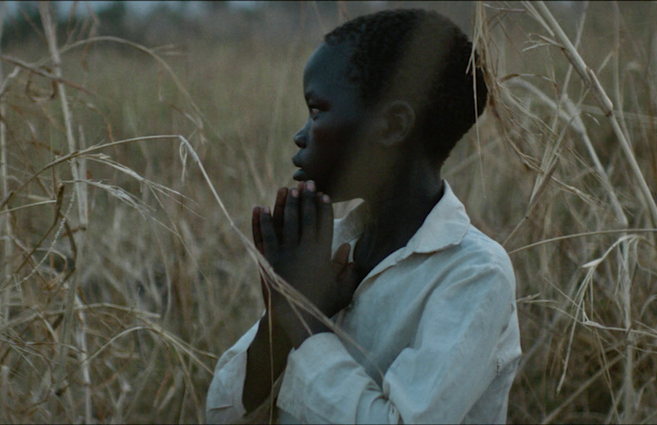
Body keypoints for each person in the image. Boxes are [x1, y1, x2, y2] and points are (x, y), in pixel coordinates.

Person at [205, 8, 520, 424]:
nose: (301, 135)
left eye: (317, 111)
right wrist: (282, 315)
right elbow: (221, 412)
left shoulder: (474, 273)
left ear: (391, 126)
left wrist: (304, 317)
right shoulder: (329, 247)